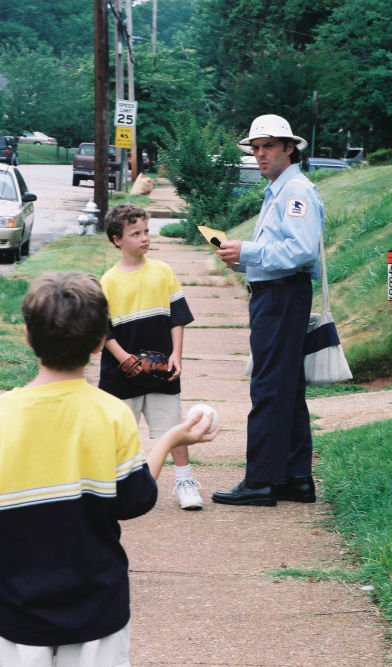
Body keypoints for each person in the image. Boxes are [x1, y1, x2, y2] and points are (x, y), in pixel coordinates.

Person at [0, 271, 218, 665]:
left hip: (16, 611)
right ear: (101, 342)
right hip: (96, 609)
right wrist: (168, 439)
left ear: (29, 338)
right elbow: (133, 500)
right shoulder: (111, 414)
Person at [212, 114, 324, 506]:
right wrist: (241, 260)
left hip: (281, 297)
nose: (261, 154)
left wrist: (249, 251)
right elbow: (283, 251)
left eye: (269, 146)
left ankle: (260, 482)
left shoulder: (294, 191)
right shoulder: (280, 189)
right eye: (256, 148)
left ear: (289, 148)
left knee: (268, 388)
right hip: (278, 293)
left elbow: (301, 251)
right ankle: (296, 478)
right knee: (287, 388)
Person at [99, 204, 203, 510]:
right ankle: (110, 487)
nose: (144, 238)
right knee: (116, 434)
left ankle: (184, 481)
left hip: (162, 370)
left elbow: (177, 318)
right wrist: (123, 358)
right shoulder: (108, 281)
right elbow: (103, 330)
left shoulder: (163, 272)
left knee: (173, 429)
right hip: (122, 373)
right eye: (136, 233)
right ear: (117, 239)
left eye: (146, 231)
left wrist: (177, 357)